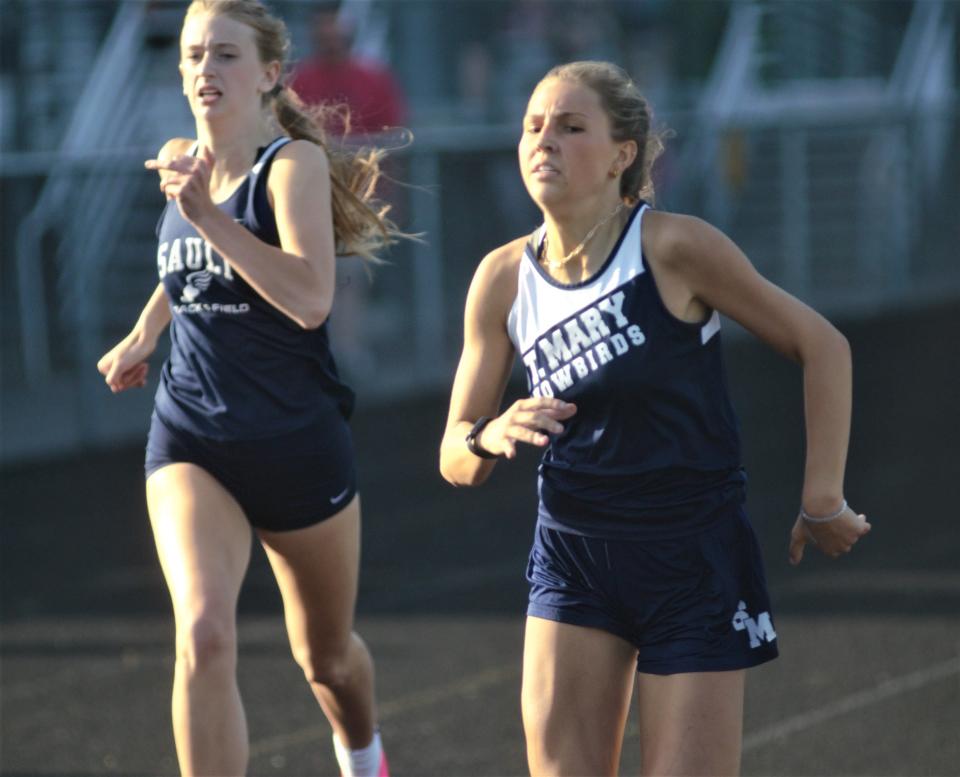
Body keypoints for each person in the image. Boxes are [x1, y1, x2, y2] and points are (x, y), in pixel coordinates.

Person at [439, 61, 871, 776]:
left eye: (571, 127)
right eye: (533, 126)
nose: (543, 140)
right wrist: (488, 432)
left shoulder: (672, 248)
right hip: (574, 555)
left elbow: (823, 345)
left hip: (691, 558)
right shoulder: (503, 278)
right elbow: (454, 453)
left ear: (622, 154)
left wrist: (822, 497)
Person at [96, 2, 401, 774]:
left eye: (226, 55)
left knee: (327, 658)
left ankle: (364, 754)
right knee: (202, 631)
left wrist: (206, 215)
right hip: (191, 436)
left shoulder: (289, 166)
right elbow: (185, 267)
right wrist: (146, 329)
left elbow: (309, 298)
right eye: (194, 55)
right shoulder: (179, 158)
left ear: (269, 74)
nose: (205, 70)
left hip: (296, 445)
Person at [290, 4, 405, 137]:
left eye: (333, 24)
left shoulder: (374, 78)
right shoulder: (300, 80)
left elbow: (393, 128)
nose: (328, 31)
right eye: (322, 25)